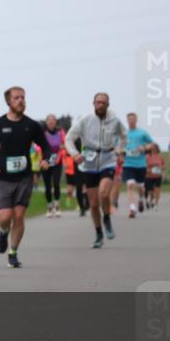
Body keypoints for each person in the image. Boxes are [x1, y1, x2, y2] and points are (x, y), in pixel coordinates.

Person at [0, 87, 51, 268]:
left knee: (19, 215)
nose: (21, 101)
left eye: (23, 97)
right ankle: (3, 232)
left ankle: (13, 252)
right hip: (4, 178)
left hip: (24, 177)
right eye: (16, 98)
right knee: (4, 217)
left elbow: (46, 146)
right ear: (8, 101)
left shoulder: (31, 125)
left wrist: (46, 159)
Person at [65, 93, 127, 248]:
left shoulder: (115, 120)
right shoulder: (85, 119)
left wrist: (120, 151)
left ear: (108, 104)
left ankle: (107, 217)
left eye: (103, 102)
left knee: (104, 193)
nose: (100, 105)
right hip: (89, 162)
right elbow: (69, 138)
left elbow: (124, 136)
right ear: (93, 103)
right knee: (93, 204)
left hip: (108, 159)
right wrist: (75, 154)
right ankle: (99, 233)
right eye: (98, 102)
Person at [121, 112, 154, 218]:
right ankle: (132, 208)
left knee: (140, 187)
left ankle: (140, 199)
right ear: (127, 121)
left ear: (136, 120)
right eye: (129, 119)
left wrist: (144, 148)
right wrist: (119, 151)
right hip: (128, 164)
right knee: (130, 185)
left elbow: (152, 144)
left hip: (140, 164)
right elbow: (119, 146)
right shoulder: (124, 134)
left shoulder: (142, 133)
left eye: (133, 119)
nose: (131, 121)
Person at [41, 114, 67, 217]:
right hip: (45, 162)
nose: (51, 122)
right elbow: (38, 145)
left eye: (53, 120)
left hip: (57, 161)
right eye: (49, 120)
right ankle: (49, 207)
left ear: (56, 122)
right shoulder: (43, 133)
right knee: (47, 186)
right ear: (46, 122)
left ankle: (57, 206)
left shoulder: (60, 133)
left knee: (56, 183)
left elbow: (65, 144)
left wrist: (62, 147)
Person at [145, 143, 165, 209]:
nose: (154, 149)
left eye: (155, 148)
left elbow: (163, 166)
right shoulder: (147, 157)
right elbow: (144, 166)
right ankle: (151, 200)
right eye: (152, 148)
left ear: (157, 149)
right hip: (149, 176)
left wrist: (161, 167)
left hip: (158, 176)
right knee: (151, 191)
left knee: (157, 190)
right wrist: (148, 170)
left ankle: (156, 204)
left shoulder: (160, 157)